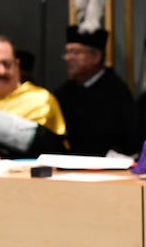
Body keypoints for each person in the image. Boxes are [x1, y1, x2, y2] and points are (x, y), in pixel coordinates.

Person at [0, 34, 67, 158]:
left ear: (17, 65)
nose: (2, 71)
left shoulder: (40, 99)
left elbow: (52, 148)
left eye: (7, 64)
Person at [54, 25, 135, 155]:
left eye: (75, 52)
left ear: (96, 56)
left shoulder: (116, 92)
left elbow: (128, 139)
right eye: (67, 52)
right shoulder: (64, 92)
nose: (68, 58)